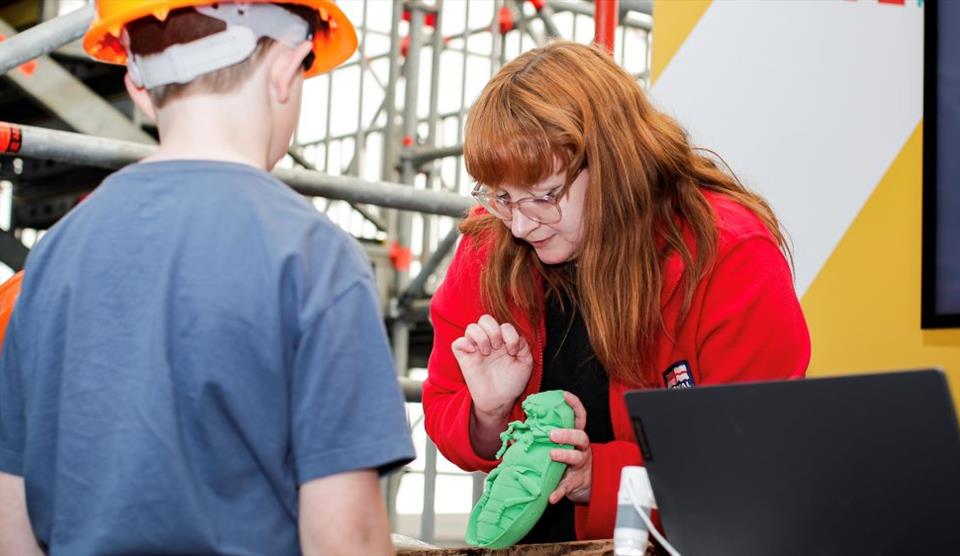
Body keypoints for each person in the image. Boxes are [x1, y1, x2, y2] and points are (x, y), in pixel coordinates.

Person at [0, 1, 414, 554]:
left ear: (138, 85)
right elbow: (345, 537)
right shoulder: (314, 256)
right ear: (286, 69)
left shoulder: (53, 256)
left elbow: (12, 519)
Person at [422, 41, 811, 543]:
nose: (520, 225)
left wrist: (601, 477)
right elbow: (445, 410)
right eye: (501, 197)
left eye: (544, 196)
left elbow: (752, 459)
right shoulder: (488, 244)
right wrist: (488, 413)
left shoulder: (727, 254)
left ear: (612, 162)